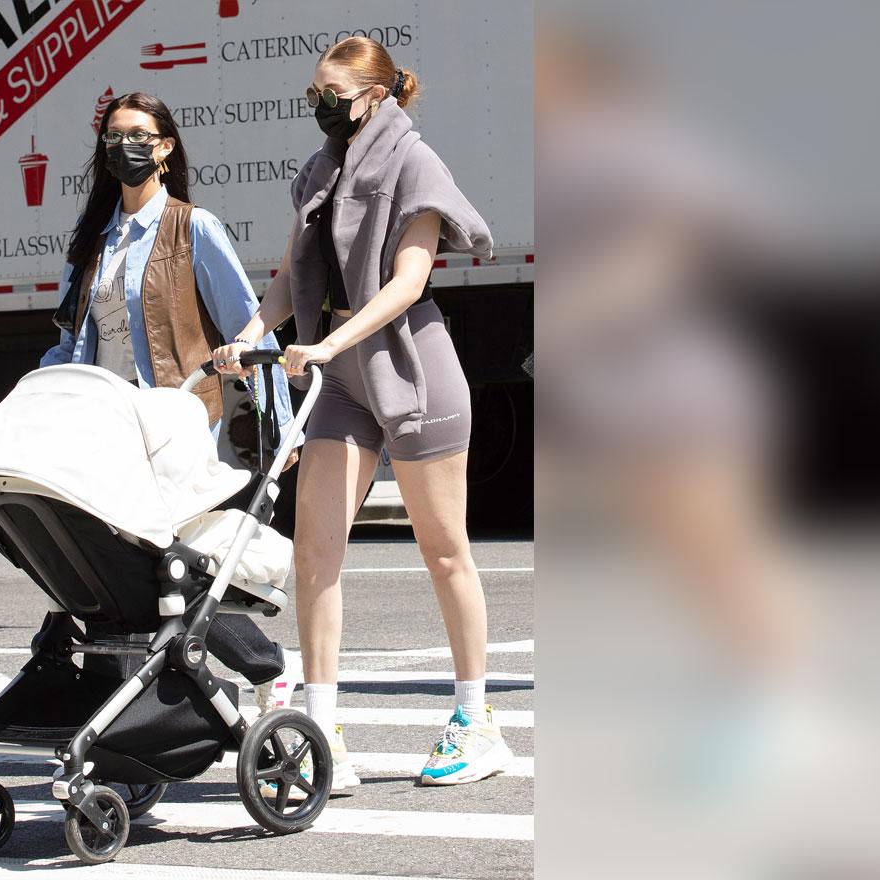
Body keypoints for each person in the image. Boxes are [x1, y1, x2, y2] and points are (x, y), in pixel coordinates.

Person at [214, 37, 511, 788]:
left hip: (412, 366)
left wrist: (327, 342)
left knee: (445, 552)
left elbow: (409, 282)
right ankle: (322, 729)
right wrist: (252, 332)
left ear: (374, 95)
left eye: (332, 95)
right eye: (314, 93)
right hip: (342, 375)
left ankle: (476, 723)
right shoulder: (319, 170)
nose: (320, 107)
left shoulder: (415, 163)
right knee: (315, 554)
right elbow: (291, 274)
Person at [41, 91, 301, 707]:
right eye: (112, 137)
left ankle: (263, 668)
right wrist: (32, 406)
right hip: (103, 427)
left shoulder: (194, 227)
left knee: (165, 560)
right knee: (115, 566)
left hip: (173, 420)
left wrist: (280, 422)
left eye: (137, 135)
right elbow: (68, 343)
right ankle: (135, 705)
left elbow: (250, 326)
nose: (122, 147)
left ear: (163, 148)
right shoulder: (94, 244)